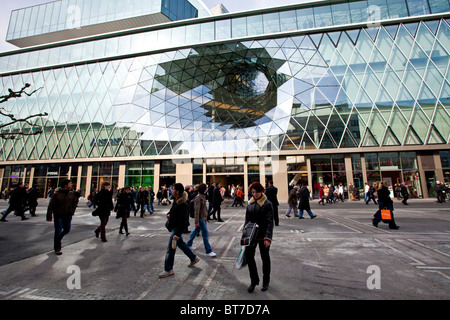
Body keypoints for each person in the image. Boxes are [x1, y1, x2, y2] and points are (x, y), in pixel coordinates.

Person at [159, 183, 200, 278]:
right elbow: (172, 210)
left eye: (173, 189)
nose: (171, 190)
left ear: (177, 191)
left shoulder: (183, 204)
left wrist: (178, 233)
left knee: (171, 249)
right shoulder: (176, 200)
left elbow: (184, 221)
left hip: (177, 230)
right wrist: (169, 214)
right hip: (174, 227)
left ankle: (168, 269)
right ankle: (193, 258)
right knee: (180, 243)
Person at [244, 182, 274, 293]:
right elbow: (246, 221)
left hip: (263, 235)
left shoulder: (267, 204)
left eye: (257, 192)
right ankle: (254, 280)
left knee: (265, 258)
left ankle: (266, 281)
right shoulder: (250, 204)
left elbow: (270, 222)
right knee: (249, 256)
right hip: (251, 235)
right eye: (253, 192)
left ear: (261, 191)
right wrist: (244, 235)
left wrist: (268, 237)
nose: (255, 194)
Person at [46, 179, 79, 255]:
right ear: (65, 185)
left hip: (68, 214)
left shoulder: (71, 194)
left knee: (67, 229)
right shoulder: (57, 194)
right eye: (70, 184)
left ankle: (58, 239)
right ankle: (57, 248)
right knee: (58, 230)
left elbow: (75, 202)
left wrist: (72, 210)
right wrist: (49, 215)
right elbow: (51, 205)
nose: (71, 185)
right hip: (58, 215)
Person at [187, 183, 216, 257]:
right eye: (206, 188)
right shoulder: (198, 198)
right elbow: (197, 211)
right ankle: (208, 251)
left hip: (203, 218)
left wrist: (205, 218)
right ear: (203, 190)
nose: (207, 189)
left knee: (196, 230)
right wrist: (196, 221)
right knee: (205, 234)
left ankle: (189, 244)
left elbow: (204, 210)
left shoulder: (203, 197)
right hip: (200, 219)